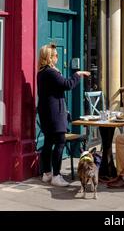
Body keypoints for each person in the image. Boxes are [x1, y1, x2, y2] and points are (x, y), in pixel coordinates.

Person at [37, 43, 90, 187]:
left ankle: (47, 173)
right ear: (49, 57)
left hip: (46, 112)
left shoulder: (42, 72)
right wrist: (77, 74)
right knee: (59, 142)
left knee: (48, 142)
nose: (57, 57)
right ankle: (56, 176)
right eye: (55, 55)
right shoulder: (50, 72)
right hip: (55, 113)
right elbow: (67, 85)